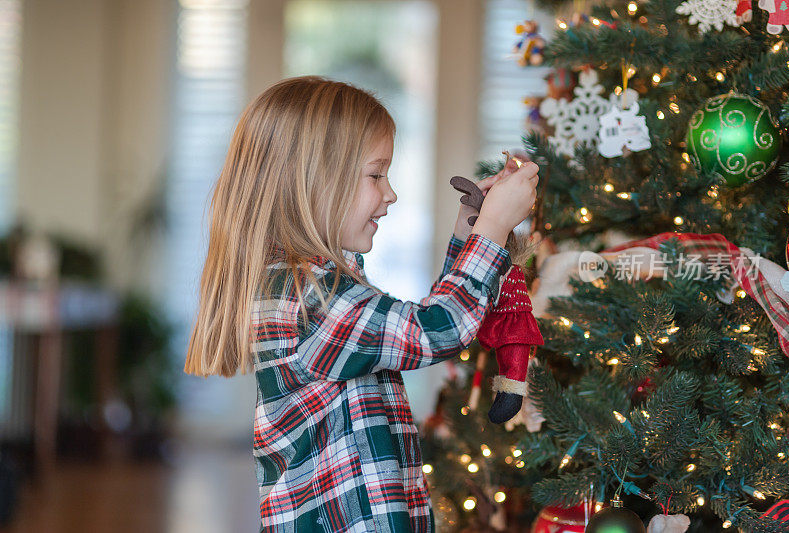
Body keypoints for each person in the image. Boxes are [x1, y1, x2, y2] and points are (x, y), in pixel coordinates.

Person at [184, 76, 539, 532]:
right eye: (375, 174)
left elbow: (415, 324)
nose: (389, 193)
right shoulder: (308, 295)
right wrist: (490, 232)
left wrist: (471, 233)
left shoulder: (312, 282)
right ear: (314, 181)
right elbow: (436, 330)